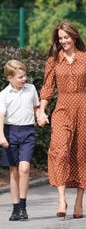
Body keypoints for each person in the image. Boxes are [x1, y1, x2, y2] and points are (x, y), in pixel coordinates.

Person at [37, 21, 86, 219]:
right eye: (60, 38)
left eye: (66, 37)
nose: (63, 41)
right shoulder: (54, 60)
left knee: (81, 153)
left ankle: (79, 202)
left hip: (83, 109)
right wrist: (42, 110)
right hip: (62, 108)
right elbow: (47, 88)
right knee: (59, 150)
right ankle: (61, 199)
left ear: (74, 37)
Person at [0, 60, 40, 221]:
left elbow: (36, 107)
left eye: (25, 76)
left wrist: (40, 115)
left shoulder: (31, 89)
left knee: (24, 168)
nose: (24, 79)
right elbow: (1, 117)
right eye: (20, 77)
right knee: (14, 171)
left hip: (28, 132)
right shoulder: (3, 95)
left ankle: (23, 207)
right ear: (10, 78)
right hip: (10, 133)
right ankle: (15, 208)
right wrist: (1, 136)